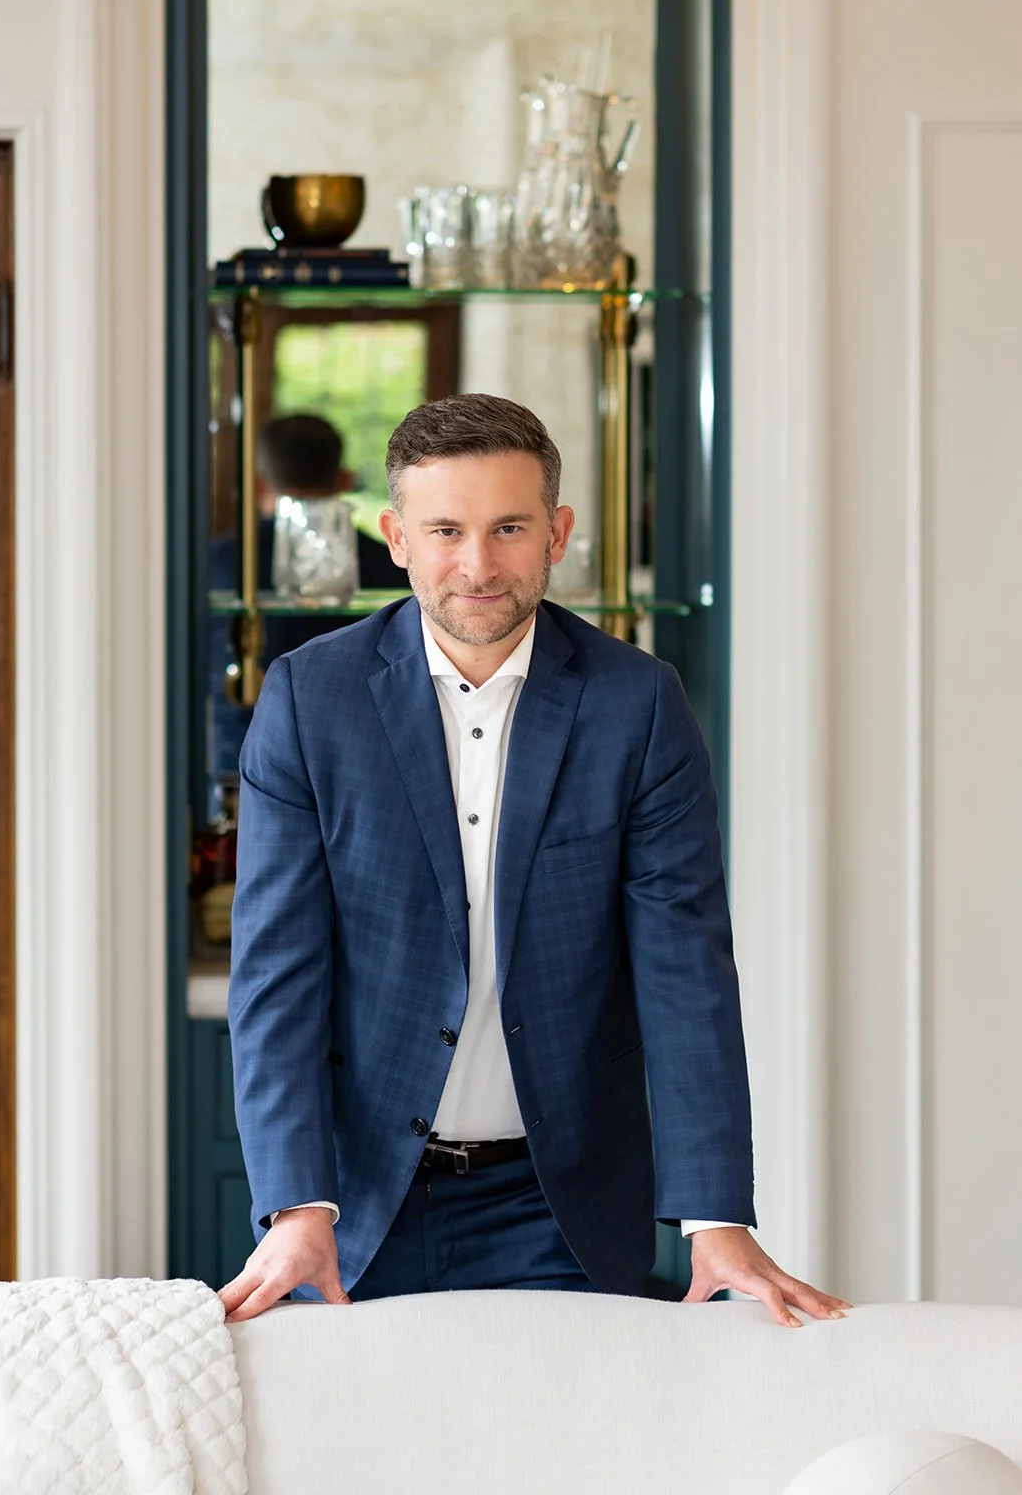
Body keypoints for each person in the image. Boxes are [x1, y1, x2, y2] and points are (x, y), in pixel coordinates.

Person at [222, 393, 849, 1325]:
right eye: (445, 531)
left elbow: (683, 970)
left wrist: (715, 1216)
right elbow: (278, 972)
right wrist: (295, 1202)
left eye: (509, 528)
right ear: (395, 538)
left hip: (561, 1203)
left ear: (556, 533)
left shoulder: (638, 705)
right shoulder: (310, 700)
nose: (477, 566)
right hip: (353, 1201)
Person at [209, 412, 406, 783]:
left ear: (257, 484)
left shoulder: (216, 564)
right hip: (360, 763)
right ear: (345, 479)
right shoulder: (394, 565)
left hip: (237, 761)